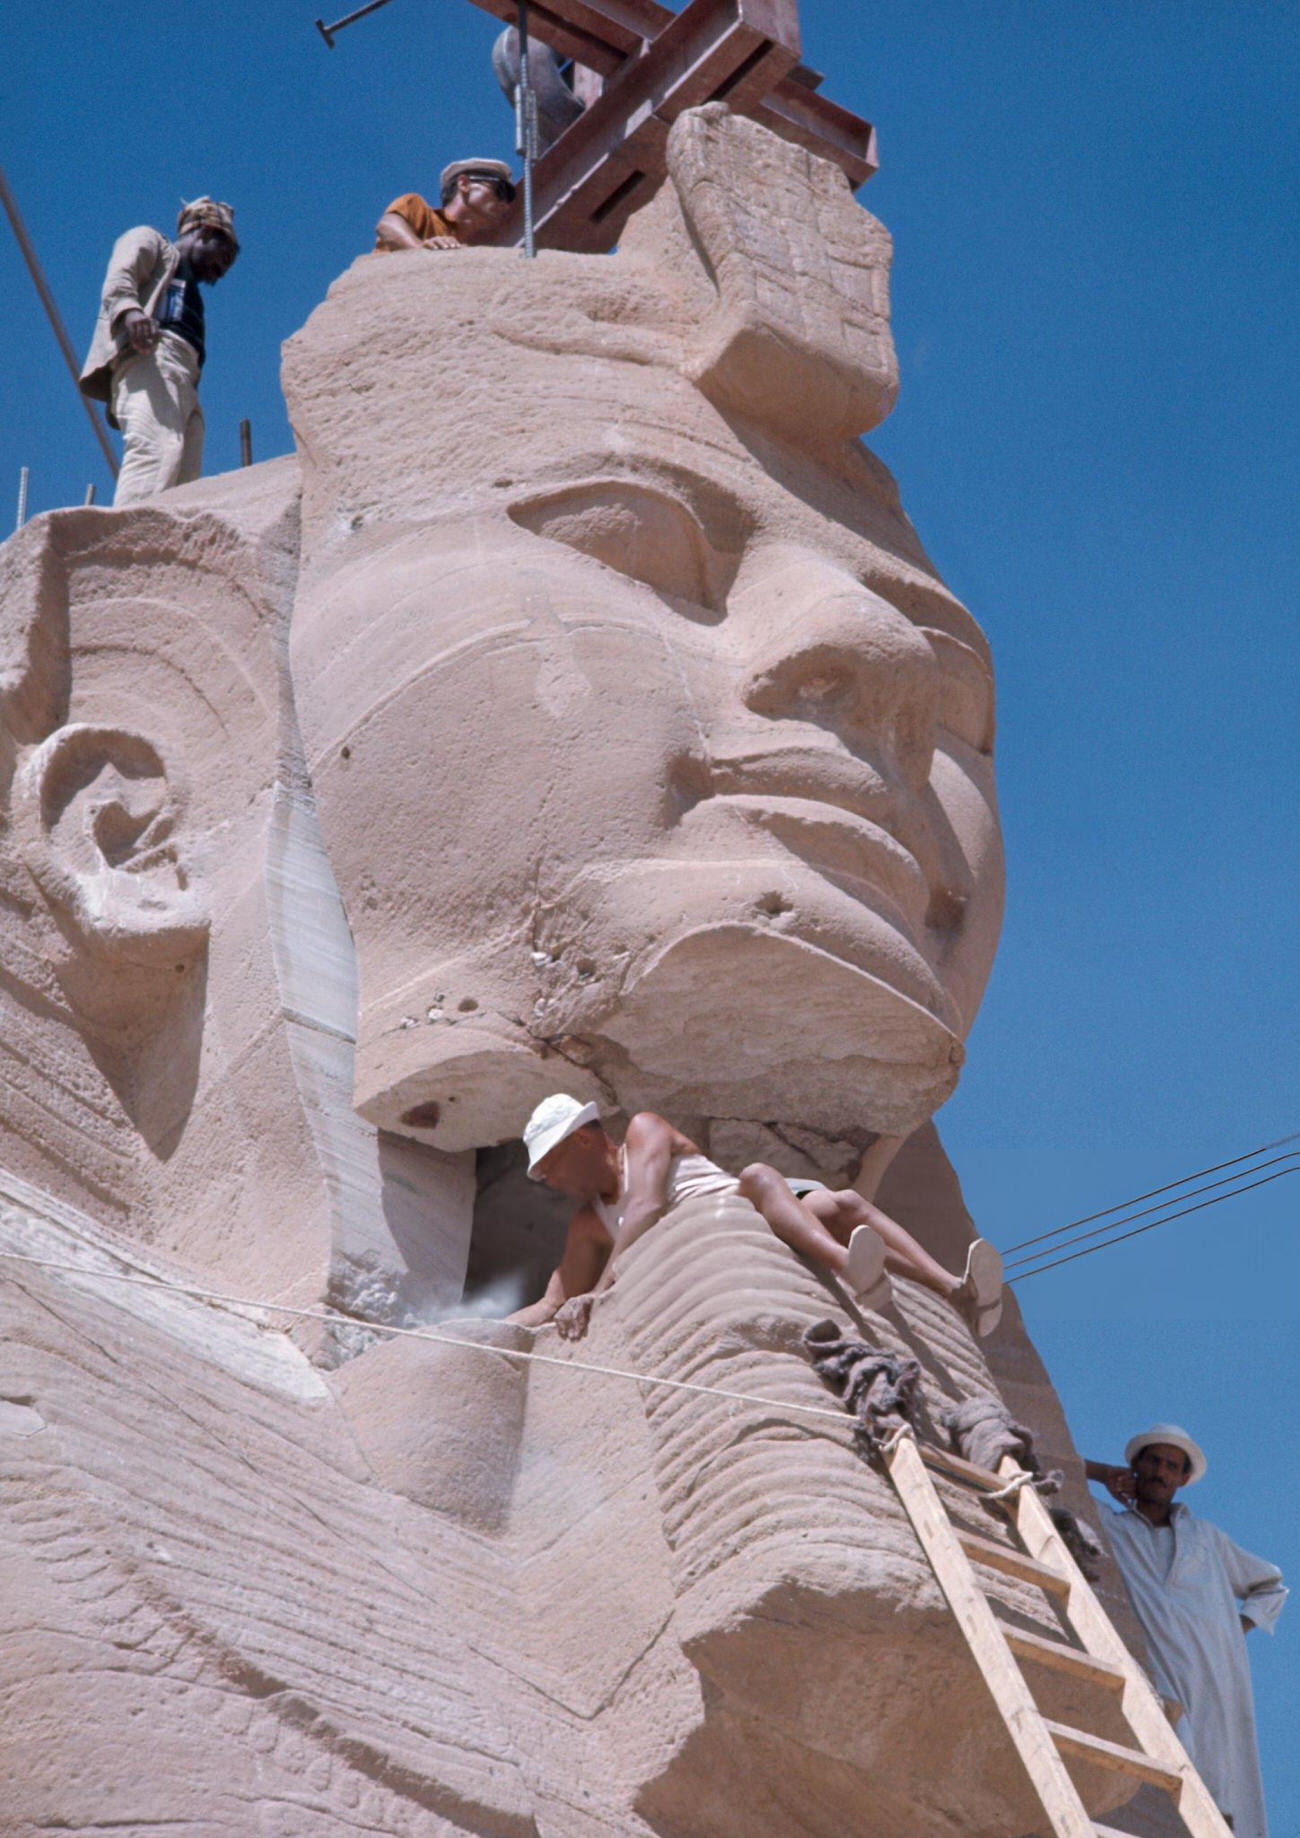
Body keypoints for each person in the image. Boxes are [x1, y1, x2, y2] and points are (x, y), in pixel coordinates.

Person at [508, 1094, 1003, 1340]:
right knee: (820, 1203)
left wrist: (598, 1292)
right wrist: (468, 1333)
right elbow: (552, 1301)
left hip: (749, 1208)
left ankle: (954, 1289)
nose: (550, 1183)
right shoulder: (588, 1224)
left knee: (834, 1202)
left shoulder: (644, 1130)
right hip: (743, 1232)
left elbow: (647, 1204)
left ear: (583, 1139)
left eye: (550, 1168)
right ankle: (857, 1267)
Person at [1087, 1426, 1286, 1838]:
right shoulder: (1110, 1525)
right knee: (1172, 1772)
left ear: (1182, 1479)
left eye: (1171, 1466)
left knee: (1220, 1787)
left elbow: (1270, 1585)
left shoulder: (1206, 1539)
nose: (1161, 1472)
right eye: (1153, 1461)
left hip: (1211, 1677)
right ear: (1136, 1467)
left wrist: (1230, 1631)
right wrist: (1102, 1472)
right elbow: (1052, 1467)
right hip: (1158, 1671)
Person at [80, 198, 239, 507]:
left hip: (184, 379)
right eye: (224, 256)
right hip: (152, 360)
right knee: (156, 451)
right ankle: (127, 544)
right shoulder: (151, 242)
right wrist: (131, 312)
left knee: (183, 477)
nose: (221, 271)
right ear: (205, 231)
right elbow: (120, 277)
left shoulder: (189, 289)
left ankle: (162, 549)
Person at [374, 159, 515, 252]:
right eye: (500, 191)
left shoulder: (475, 245)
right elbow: (388, 226)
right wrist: (421, 251)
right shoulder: (417, 208)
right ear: (464, 184)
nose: (505, 204)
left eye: (509, 199)